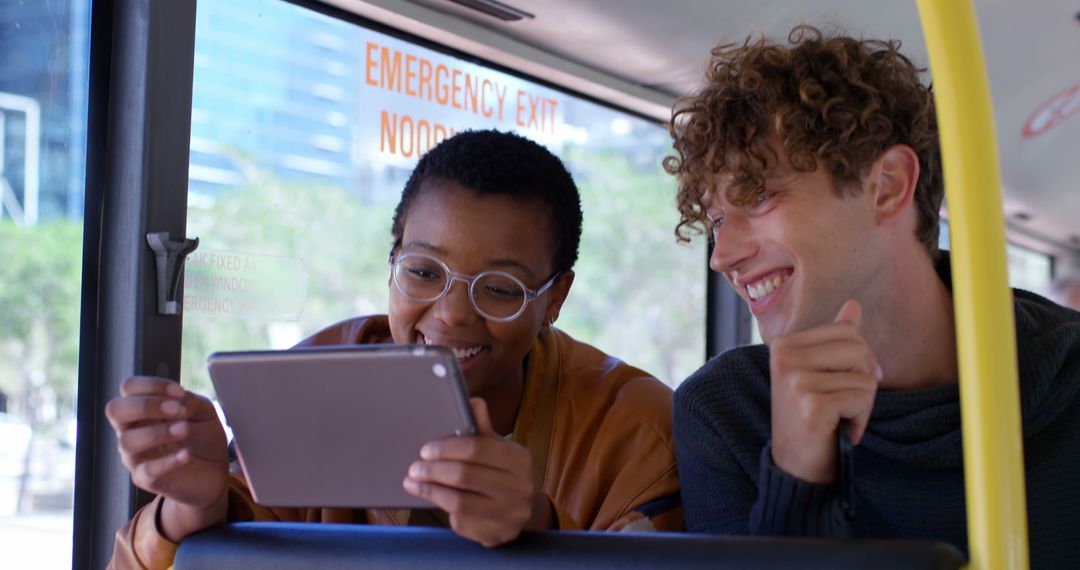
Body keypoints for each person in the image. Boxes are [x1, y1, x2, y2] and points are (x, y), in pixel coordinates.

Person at [107, 130, 682, 569]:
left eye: (501, 289)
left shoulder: (636, 429)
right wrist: (195, 506)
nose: (453, 314)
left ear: (555, 298)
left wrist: (539, 527)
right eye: (424, 271)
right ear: (392, 262)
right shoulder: (315, 381)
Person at [665, 25, 1080, 568]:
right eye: (717, 220)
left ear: (886, 187)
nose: (723, 255)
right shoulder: (728, 412)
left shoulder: (1067, 377)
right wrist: (795, 477)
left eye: (759, 196)